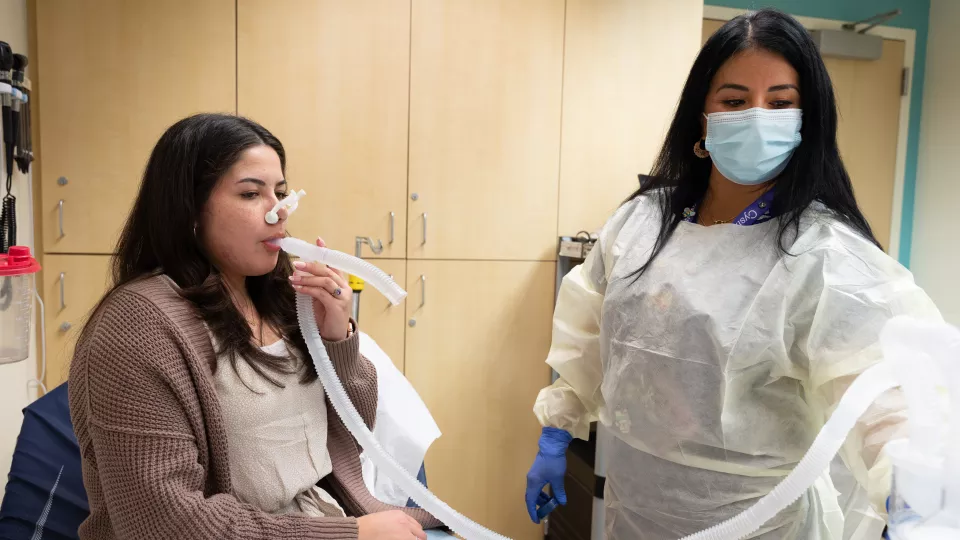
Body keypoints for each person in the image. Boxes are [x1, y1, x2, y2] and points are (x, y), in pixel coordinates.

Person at [525, 9, 941, 540]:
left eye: (781, 102)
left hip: (757, 526)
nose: (757, 116)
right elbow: (587, 335)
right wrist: (557, 432)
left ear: (806, 119)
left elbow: (890, 397)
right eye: (735, 100)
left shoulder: (825, 255)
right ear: (703, 114)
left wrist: (914, 506)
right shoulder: (641, 224)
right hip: (634, 512)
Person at [69, 113, 440, 540]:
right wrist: (352, 535)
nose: (278, 211)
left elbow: (354, 435)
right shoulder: (136, 326)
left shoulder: (282, 297)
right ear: (189, 209)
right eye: (251, 193)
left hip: (325, 517)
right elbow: (168, 523)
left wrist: (338, 341)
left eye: (281, 193)